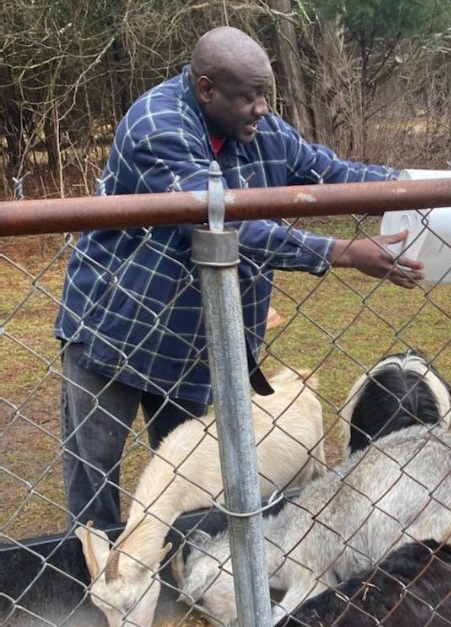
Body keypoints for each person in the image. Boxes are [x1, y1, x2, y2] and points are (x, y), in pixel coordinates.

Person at [55, 26, 423, 532]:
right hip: (114, 328)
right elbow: (223, 225)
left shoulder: (260, 130)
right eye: (249, 97)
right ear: (206, 88)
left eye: (266, 94)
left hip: (192, 338)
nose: (263, 108)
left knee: (195, 473)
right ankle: (94, 581)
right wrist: (342, 252)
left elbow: (328, 171)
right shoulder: (157, 126)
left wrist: (417, 187)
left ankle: (187, 574)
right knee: (95, 474)